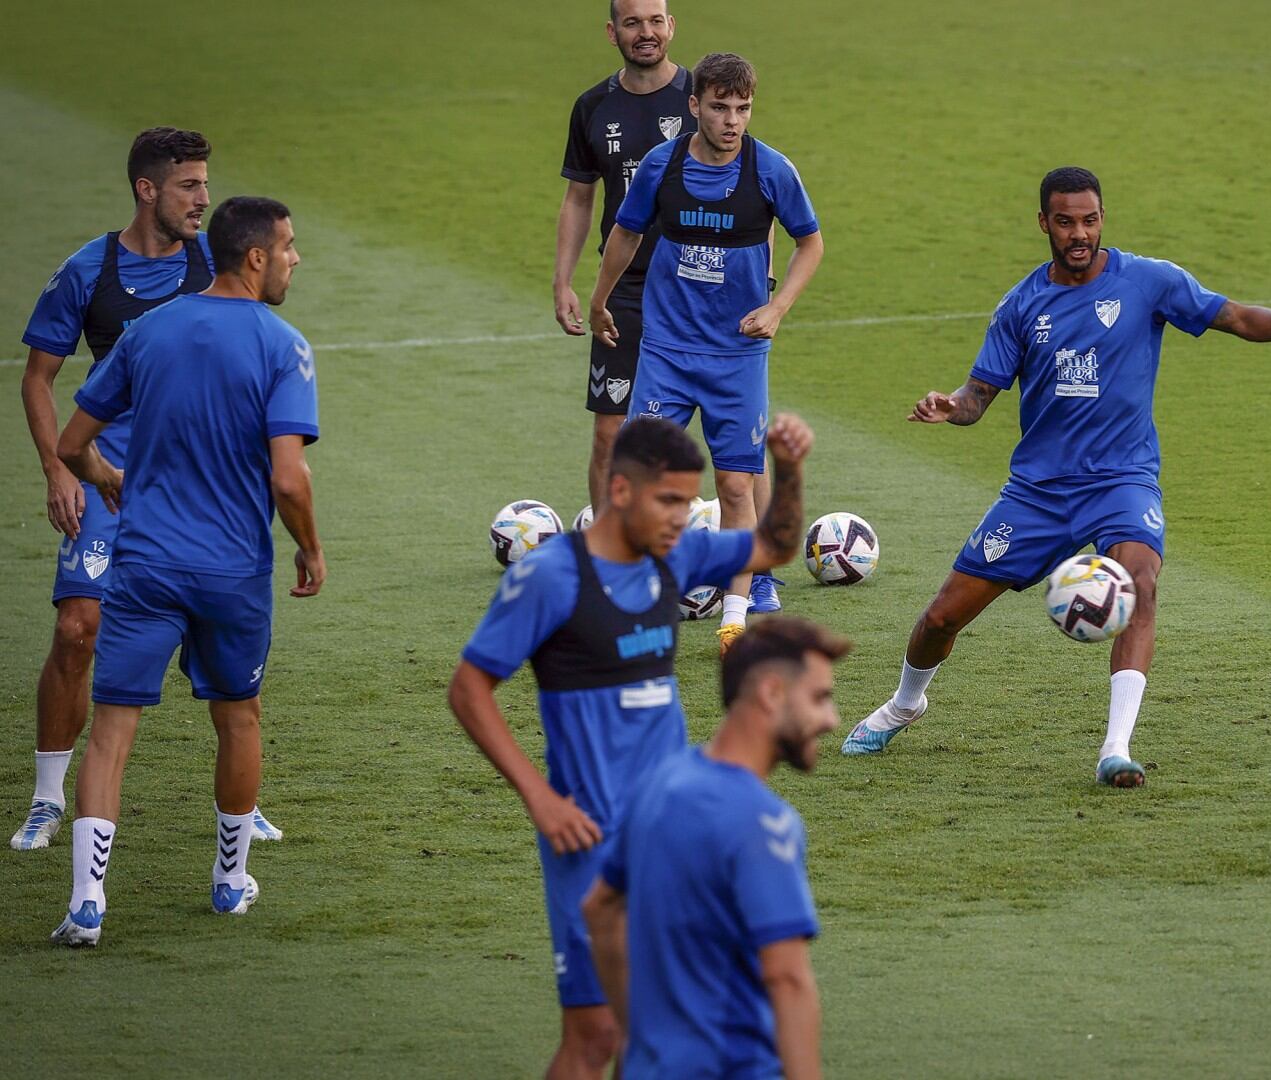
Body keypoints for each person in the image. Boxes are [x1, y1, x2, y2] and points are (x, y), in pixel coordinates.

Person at [840, 165, 1271, 786]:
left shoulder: (1149, 281)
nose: (1080, 233)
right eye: (1067, 221)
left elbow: (1233, 317)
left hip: (1121, 481)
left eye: (1091, 220)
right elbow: (977, 398)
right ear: (1044, 223)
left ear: (1103, 218)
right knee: (942, 618)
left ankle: (1115, 748)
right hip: (1038, 494)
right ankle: (905, 703)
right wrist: (950, 408)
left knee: (1142, 582)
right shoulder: (1021, 306)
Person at [447, 414, 809, 1080]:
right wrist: (541, 800)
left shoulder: (678, 556)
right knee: (596, 1035)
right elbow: (469, 690)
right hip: (588, 838)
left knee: (657, 1030)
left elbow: (778, 546)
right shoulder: (552, 578)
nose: (682, 516)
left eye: (688, 501)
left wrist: (787, 470)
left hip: (670, 835)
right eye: (668, 500)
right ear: (619, 491)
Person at [48, 196, 324, 946]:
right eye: (290, 247)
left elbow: (73, 442)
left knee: (111, 733)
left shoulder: (147, 331)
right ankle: (231, 882)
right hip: (232, 570)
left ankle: (87, 902)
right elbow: (290, 480)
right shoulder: (283, 344)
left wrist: (106, 475)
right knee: (238, 717)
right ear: (256, 257)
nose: (297, 259)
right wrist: (310, 546)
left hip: (145, 565)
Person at [15, 127, 281, 851]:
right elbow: (38, 377)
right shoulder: (89, 271)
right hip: (106, 480)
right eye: (189, 186)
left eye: (204, 183)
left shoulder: (214, 264)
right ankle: (46, 798)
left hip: (195, 482)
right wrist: (57, 470)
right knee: (78, 630)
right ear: (146, 190)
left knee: (221, 632)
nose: (204, 198)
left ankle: (240, 797)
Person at [588, 51, 824, 649]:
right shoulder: (661, 168)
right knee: (639, 474)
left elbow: (810, 243)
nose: (732, 121)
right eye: (720, 108)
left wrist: (776, 308)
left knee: (736, 488)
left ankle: (736, 615)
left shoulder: (770, 171)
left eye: (742, 109)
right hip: (666, 350)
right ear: (694, 106)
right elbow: (624, 232)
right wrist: (600, 300)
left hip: (736, 357)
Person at [583, 616, 844, 1080]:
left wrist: (635, 1034)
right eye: (820, 698)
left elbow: (600, 909)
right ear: (771, 693)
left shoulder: (659, 781)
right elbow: (787, 978)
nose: (831, 719)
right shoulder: (762, 822)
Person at [555, 0, 693, 515]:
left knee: (726, 436)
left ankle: (752, 566)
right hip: (626, 292)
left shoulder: (703, 100)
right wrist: (563, 280)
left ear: (671, 27)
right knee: (610, 436)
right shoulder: (593, 106)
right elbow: (579, 196)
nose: (646, 32)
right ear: (612, 33)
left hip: (697, 285)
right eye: (633, 23)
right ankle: (609, 563)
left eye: (655, 21)